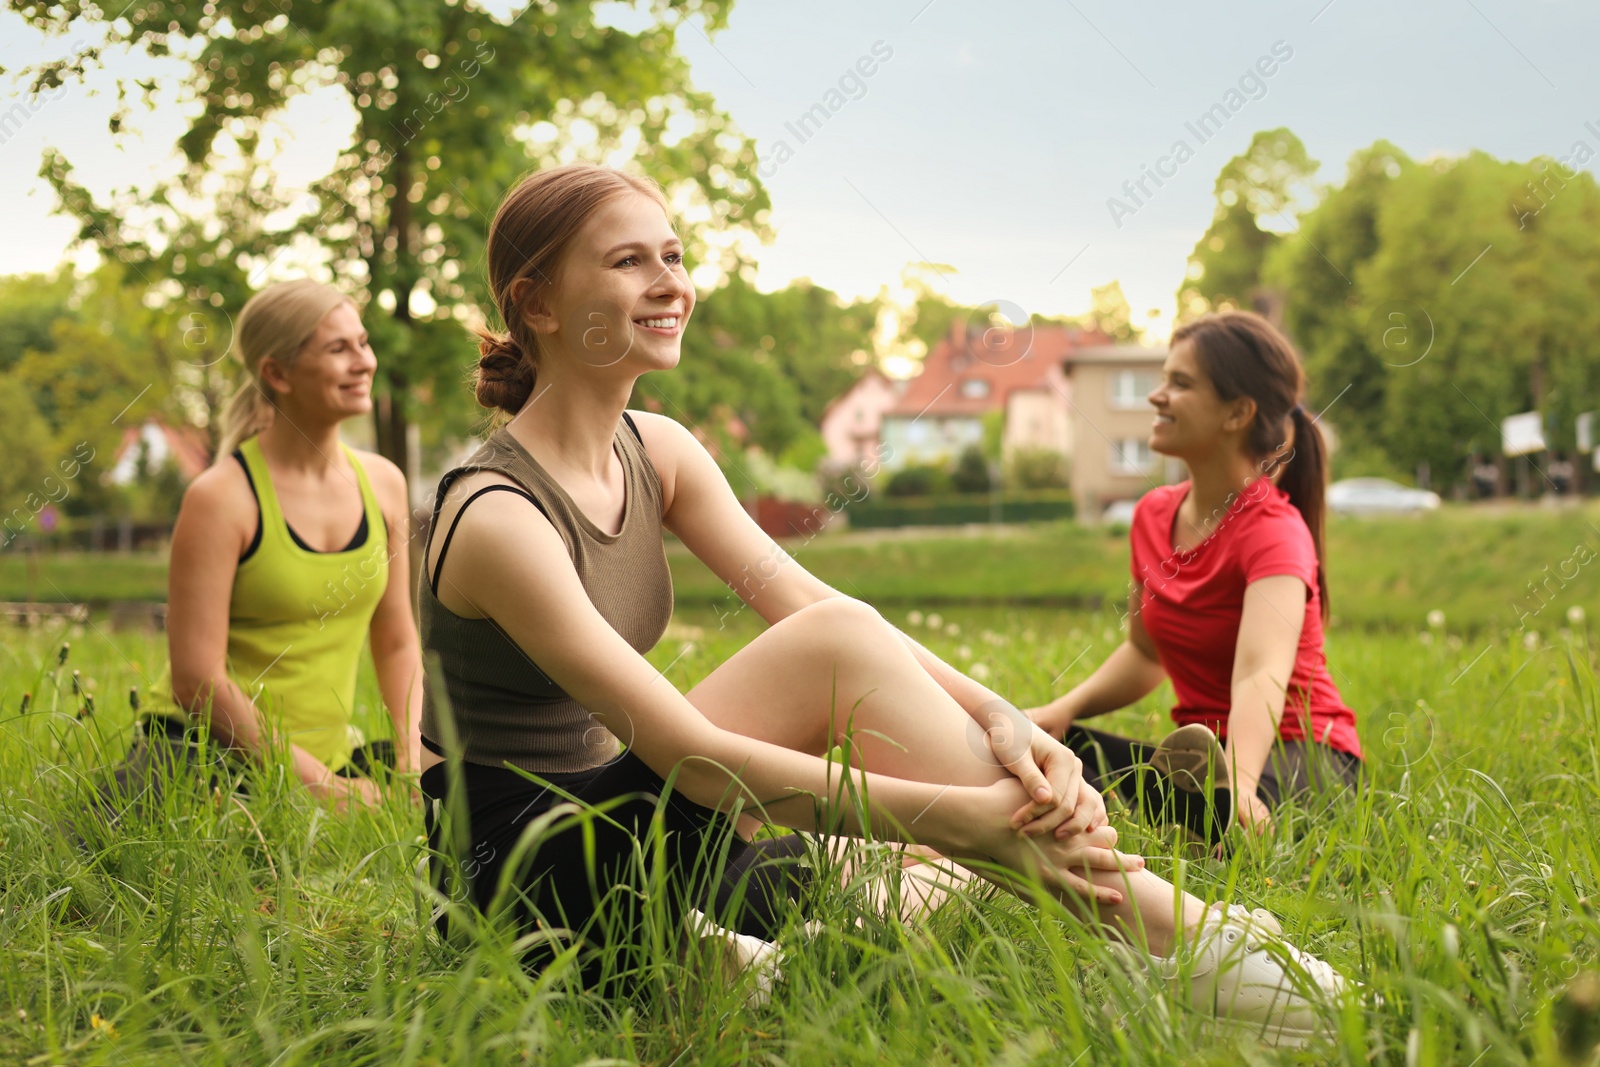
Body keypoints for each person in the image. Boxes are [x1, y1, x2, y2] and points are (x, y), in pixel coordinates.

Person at [416, 164, 1351, 1044]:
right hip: (527, 886)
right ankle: (1181, 939)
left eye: (674, 254)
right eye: (629, 261)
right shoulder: (497, 513)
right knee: (913, 772)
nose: (670, 282)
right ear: (537, 302)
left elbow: (814, 598)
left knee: (935, 852)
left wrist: (1001, 718)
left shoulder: (653, 449)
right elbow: (691, 757)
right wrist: (961, 811)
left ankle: (753, 960)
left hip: (635, 838)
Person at [1028, 311, 1364, 845]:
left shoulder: (1274, 532)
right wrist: (1062, 711)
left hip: (1306, 754)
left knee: (1207, 812)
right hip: (1202, 760)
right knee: (1043, 756)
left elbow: (1262, 672)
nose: (1156, 397)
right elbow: (1145, 655)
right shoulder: (1152, 516)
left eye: (1179, 384)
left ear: (1237, 413)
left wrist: (1243, 788)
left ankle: (1222, 812)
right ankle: (1195, 804)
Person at [107, 279, 423, 816]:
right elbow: (196, 681)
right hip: (203, 753)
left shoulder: (385, 484)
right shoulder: (220, 499)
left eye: (363, 343)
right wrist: (319, 785)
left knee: (467, 787)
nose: (363, 362)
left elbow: (395, 641)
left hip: (328, 760)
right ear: (277, 373)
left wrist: (413, 762)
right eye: (338, 348)